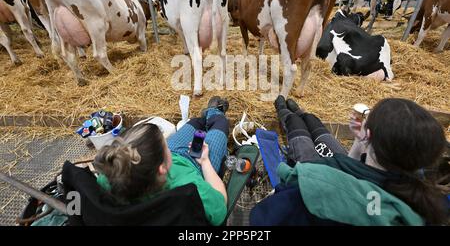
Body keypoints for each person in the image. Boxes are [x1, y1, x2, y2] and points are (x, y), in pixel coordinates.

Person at [250, 96, 448, 226]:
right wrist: (359, 142)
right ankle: (302, 113)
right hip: (354, 166)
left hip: (324, 172)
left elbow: (259, 219)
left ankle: (285, 111)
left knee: (298, 131)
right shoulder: (428, 205)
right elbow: (353, 169)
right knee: (318, 128)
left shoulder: (311, 186)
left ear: (368, 135)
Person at [94, 96, 230, 226]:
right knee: (220, 123)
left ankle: (207, 116)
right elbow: (219, 211)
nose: (166, 143)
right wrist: (205, 161)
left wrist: (164, 149)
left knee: (194, 123)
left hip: (168, 155)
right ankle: (215, 112)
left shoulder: (110, 174)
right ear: (163, 168)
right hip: (197, 164)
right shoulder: (189, 185)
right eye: (165, 144)